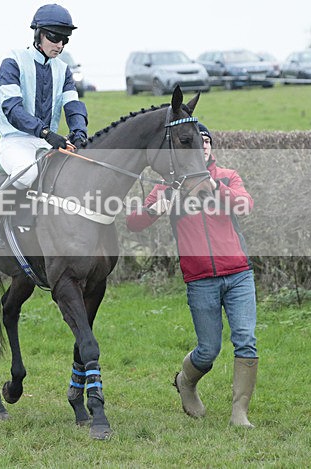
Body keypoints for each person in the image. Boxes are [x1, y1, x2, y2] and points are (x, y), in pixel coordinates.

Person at [125, 124, 259, 427]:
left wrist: (215, 187)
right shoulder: (168, 186)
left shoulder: (227, 176)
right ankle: (185, 381)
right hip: (200, 280)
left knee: (246, 341)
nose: (204, 147)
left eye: (207, 141)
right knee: (208, 350)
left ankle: (239, 412)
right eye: (198, 143)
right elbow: (133, 223)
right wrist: (157, 207)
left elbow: (246, 205)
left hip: (238, 275)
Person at [0, 3, 89, 248]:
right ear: (38, 33)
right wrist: (45, 132)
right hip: (16, 140)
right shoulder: (13, 62)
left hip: (46, 139)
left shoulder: (63, 70)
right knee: (27, 173)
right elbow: (12, 109)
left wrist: (79, 130)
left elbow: (73, 105)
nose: (59, 45)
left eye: (65, 39)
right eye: (54, 37)